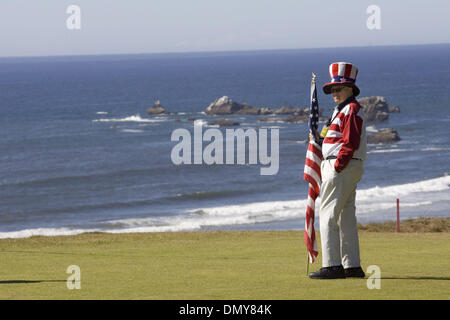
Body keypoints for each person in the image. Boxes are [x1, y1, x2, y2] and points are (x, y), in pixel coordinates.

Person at [309, 62, 367, 279]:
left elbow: (349, 141)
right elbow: (334, 137)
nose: (335, 92)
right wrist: (318, 139)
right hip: (347, 167)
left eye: (339, 88)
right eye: (333, 89)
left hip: (340, 166)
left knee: (328, 214)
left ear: (350, 89)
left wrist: (338, 164)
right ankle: (351, 265)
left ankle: (332, 265)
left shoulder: (350, 109)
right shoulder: (341, 110)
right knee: (345, 217)